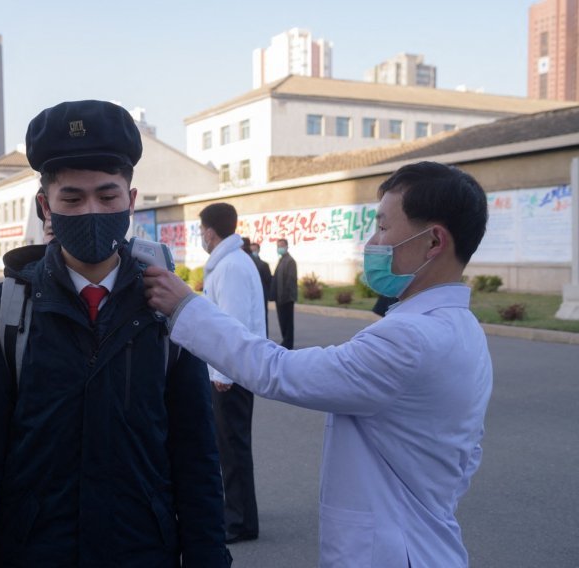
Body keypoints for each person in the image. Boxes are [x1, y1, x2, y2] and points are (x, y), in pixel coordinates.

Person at [143, 161, 493, 567]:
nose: (372, 241)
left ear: (434, 242)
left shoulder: (409, 340)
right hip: (427, 538)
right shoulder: (461, 329)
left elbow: (279, 371)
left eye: (383, 227)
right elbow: (467, 454)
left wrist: (185, 307)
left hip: (393, 553)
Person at [0, 100, 230, 567]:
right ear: (45, 206)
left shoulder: (170, 310)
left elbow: (196, 458)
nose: (92, 210)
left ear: (131, 201)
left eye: (108, 196)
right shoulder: (2, 312)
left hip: (142, 552)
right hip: (36, 554)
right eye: (72, 199)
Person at [199, 205, 264, 544]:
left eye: (201, 231)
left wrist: (223, 371)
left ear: (211, 232)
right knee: (229, 447)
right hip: (231, 371)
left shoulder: (232, 267)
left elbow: (232, 324)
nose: (201, 237)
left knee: (233, 448)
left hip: (232, 374)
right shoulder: (230, 263)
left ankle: (239, 521)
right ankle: (241, 513)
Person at [270, 238, 297, 349]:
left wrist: (286, 296)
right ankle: (285, 341)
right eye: (278, 246)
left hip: (286, 298)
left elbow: (290, 281)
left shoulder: (290, 261)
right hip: (279, 297)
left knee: (288, 322)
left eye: (281, 246)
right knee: (282, 321)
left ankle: (288, 343)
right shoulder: (281, 260)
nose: (279, 248)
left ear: (286, 247)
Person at [246, 240, 271, 336]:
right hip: (256, 295)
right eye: (252, 250)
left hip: (262, 295)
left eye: (255, 250)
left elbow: (268, 280)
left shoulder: (263, 265)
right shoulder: (247, 263)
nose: (253, 252)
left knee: (262, 318)